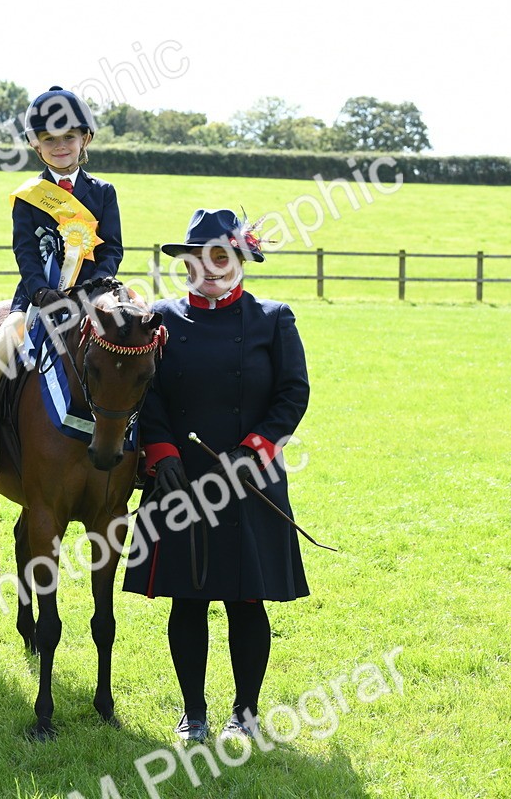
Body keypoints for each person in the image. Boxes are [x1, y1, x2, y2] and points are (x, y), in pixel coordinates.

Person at [121, 208, 310, 743]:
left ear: (241, 260)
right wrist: (160, 453)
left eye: (221, 257)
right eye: (197, 259)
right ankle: (194, 713)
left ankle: (245, 713)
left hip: (249, 479)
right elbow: (147, 393)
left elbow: (292, 392)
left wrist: (254, 451)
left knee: (245, 599)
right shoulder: (160, 318)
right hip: (180, 481)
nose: (209, 268)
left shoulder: (274, 317)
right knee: (190, 598)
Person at [0, 85, 123, 411]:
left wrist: (95, 286)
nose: (60, 146)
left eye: (68, 137)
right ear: (35, 144)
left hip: (94, 295)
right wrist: (40, 291)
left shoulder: (103, 192)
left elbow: (112, 249)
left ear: (84, 139)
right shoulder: (29, 196)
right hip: (37, 298)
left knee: (137, 351)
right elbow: (25, 251)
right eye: (49, 139)